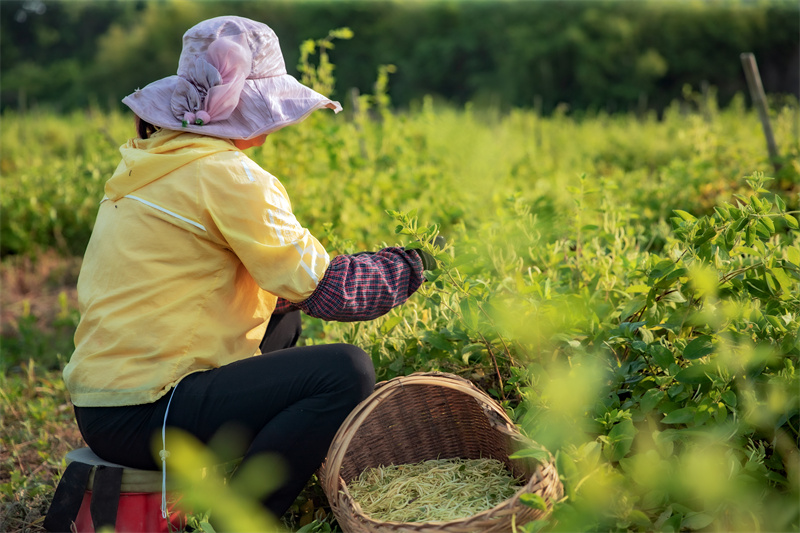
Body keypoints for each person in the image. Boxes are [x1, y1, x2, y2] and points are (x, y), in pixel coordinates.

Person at [62, 15, 432, 521]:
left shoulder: (151, 162)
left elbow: (281, 288)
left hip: (104, 406)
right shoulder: (226, 174)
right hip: (150, 413)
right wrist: (415, 265)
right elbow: (331, 290)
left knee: (283, 318)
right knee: (346, 372)